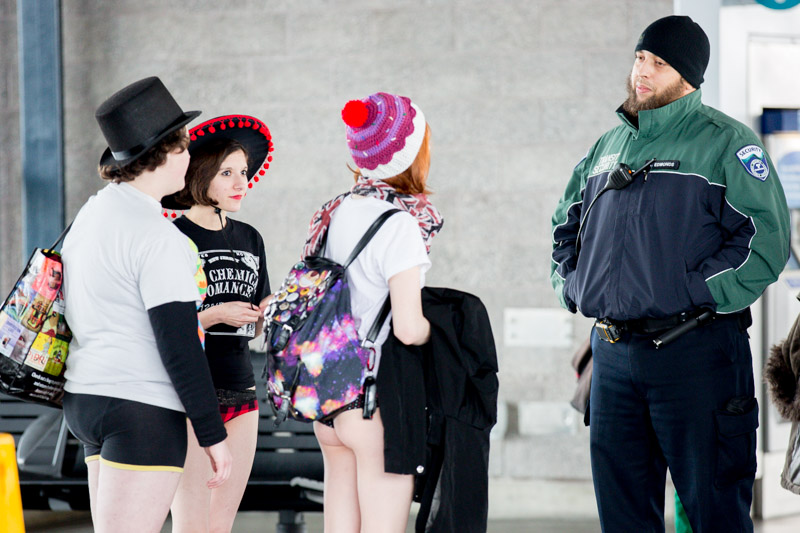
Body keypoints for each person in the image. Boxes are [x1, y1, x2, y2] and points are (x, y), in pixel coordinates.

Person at [550, 16, 790, 532]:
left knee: (713, 512)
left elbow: (766, 245)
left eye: (659, 63)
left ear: (688, 77)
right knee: (623, 515)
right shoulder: (607, 147)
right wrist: (573, 285)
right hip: (613, 359)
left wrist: (689, 291)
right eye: (640, 57)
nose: (643, 71)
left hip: (695, 356)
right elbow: (564, 226)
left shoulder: (726, 144)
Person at [61, 77, 232, 533]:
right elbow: (179, 344)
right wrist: (214, 436)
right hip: (141, 410)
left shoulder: (91, 215)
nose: (191, 157)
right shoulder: (159, 238)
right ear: (170, 154)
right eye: (185, 148)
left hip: (86, 400)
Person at [301, 92, 441, 533]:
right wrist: (436, 331)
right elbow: (407, 327)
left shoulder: (334, 212)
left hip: (327, 395)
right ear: (410, 153)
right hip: (373, 400)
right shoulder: (398, 223)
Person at [161, 115, 273, 533]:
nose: (241, 181)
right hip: (189, 391)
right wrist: (214, 316)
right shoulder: (172, 237)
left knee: (220, 524)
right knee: (191, 523)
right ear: (200, 175)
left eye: (243, 172)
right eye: (227, 173)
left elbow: (256, 326)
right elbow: (163, 325)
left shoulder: (250, 238)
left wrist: (271, 314)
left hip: (241, 386)